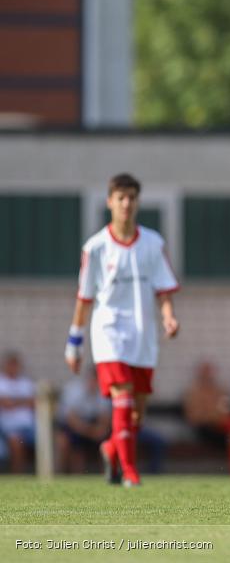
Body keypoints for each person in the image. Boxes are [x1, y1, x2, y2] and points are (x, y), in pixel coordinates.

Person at [64, 173, 180, 487]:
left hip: (143, 335)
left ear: (138, 202)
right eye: (121, 197)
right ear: (109, 202)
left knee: (136, 415)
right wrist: (74, 343)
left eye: (131, 197)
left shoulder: (153, 244)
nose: (126, 203)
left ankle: (112, 448)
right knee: (122, 395)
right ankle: (129, 470)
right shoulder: (97, 247)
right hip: (109, 331)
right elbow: (84, 298)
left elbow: (163, 290)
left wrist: (168, 317)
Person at [55, 369, 110, 474]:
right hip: (73, 427)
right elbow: (70, 419)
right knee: (71, 446)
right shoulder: (73, 390)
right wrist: (89, 432)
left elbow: (104, 420)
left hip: (91, 427)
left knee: (107, 445)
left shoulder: (104, 392)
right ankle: (63, 475)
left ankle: (108, 476)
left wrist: (98, 431)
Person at [0, 351, 36, 473]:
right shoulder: (2, 382)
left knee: (53, 440)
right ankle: (18, 475)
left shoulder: (26, 382)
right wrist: (24, 401)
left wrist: (14, 402)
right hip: (9, 426)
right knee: (16, 442)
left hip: (30, 425)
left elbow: (34, 403)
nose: (13, 368)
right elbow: (5, 404)